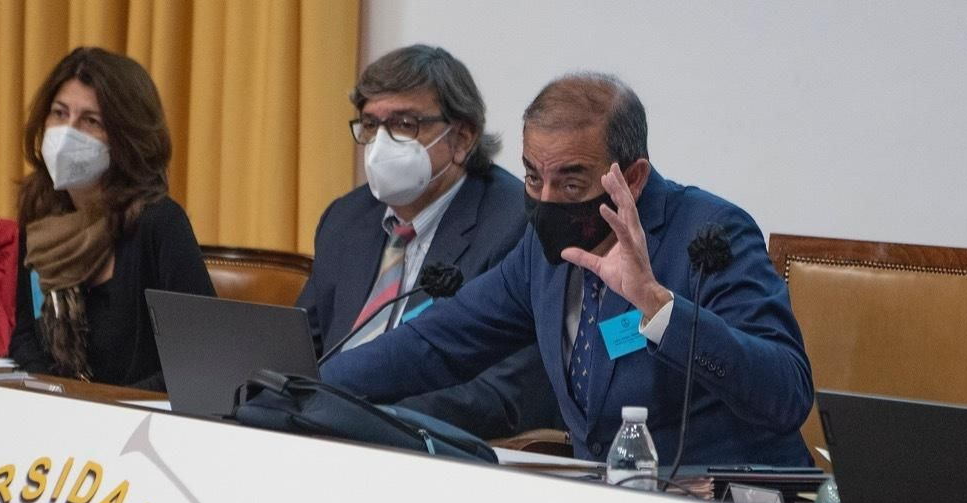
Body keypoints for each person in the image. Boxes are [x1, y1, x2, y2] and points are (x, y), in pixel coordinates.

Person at [324, 73, 813, 465]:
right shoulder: (542, 254)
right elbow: (436, 344)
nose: (547, 203)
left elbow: (787, 393)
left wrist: (660, 307)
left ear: (633, 177)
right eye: (534, 178)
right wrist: (306, 387)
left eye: (572, 185)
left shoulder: (708, 235)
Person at [297, 45, 556, 439]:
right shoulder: (346, 219)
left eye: (405, 124)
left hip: (429, 444)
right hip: (322, 432)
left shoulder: (517, 223)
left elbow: (503, 394)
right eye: (370, 125)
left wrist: (365, 417)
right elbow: (300, 350)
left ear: (462, 138)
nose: (382, 144)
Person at [9, 47, 214, 387]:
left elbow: (201, 361)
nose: (67, 132)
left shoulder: (159, 223)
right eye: (60, 114)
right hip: (61, 419)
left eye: (90, 121)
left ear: (126, 137)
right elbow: (25, 337)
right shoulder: (42, 220)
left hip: (142, 425)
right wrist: (57, 398)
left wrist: (105, 411)